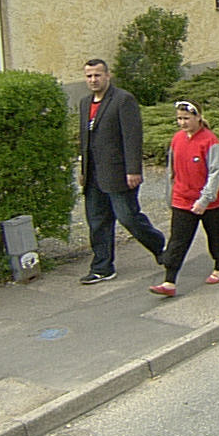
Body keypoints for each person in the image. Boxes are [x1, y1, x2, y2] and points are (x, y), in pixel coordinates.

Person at [77, 58, 166, 284]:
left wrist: (133, 170)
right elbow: (85, 140)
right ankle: (102, 267)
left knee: (128, 217)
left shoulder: (123, 100)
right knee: (97, 221)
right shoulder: (85, 103)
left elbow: (132, 137)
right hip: (93, 175)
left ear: (107, 76)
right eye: (89, 76)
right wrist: (82, 168)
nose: (93, 80)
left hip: (117, 173)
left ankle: (159, 246)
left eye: (97, 75)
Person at [149, 100, 219, 297]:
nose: (182, 123)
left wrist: (205, 200)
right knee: (177, 240)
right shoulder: (177, 139)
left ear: (198, 117)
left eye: (186, 118)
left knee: (215, 235)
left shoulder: (211, 141)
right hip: (182, 199)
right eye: (179, 119)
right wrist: (171, 197)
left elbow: (215, 172)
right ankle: (169, 281)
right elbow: (171, 171)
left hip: (210, 202)